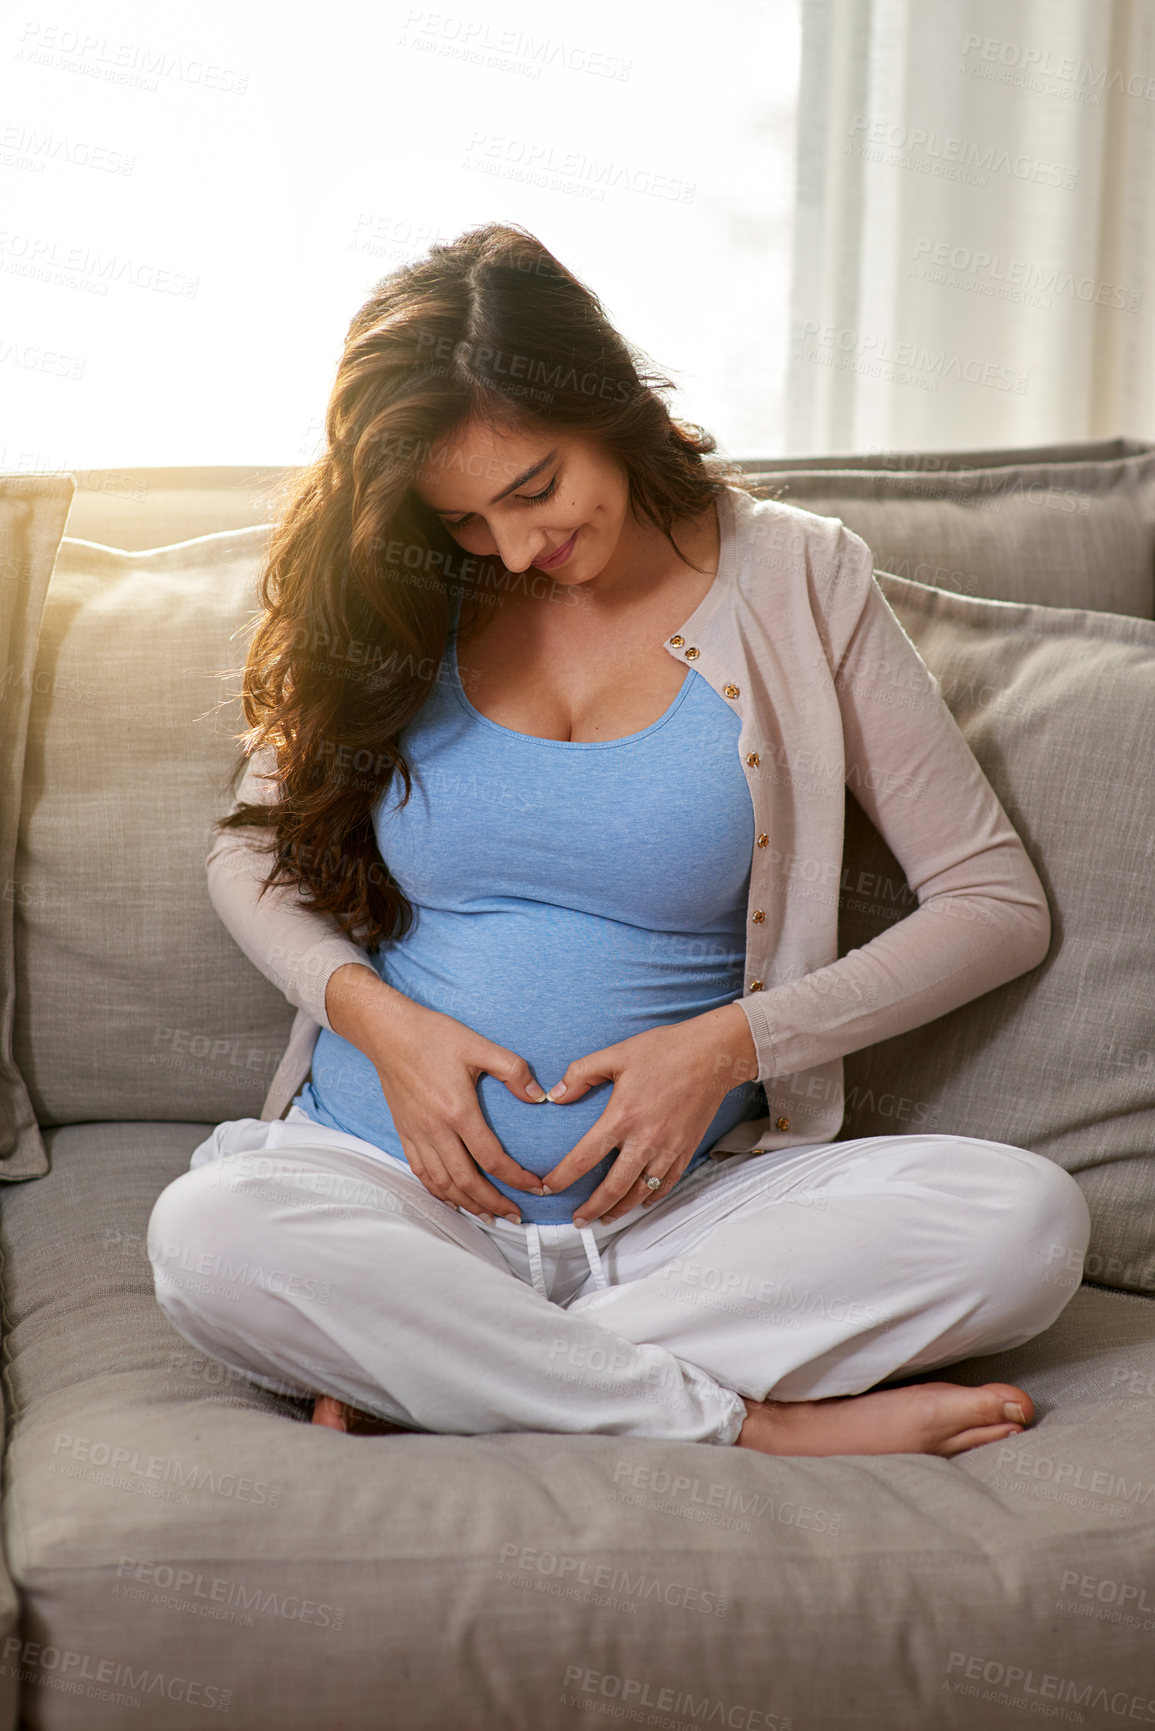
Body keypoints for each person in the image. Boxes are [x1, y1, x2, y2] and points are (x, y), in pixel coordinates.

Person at [147, 221, 1091, 1458]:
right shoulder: (406, 581)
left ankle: (450, 1367)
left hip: (685, 1218)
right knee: (208, 1236)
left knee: (1023, 1223)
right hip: (385, 1184)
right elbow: (248, 854)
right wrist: (390, 1029)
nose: (518, 549)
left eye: (534, 488)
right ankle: (748, 1425)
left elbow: (992, 903)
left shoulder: (801, 581)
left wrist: (729, 1046)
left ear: (609, 402)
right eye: (471, 519)